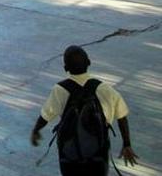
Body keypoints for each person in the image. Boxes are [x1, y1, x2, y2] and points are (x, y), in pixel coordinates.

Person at [31, 45, 138, 176]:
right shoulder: (104, 89)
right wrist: (127, 144)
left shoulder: (60, 89)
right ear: (89, 62)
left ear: (66, 68)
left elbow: (45, 115)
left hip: (69, 156)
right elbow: (122, 116)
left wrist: (36, 130)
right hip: (98, 154)